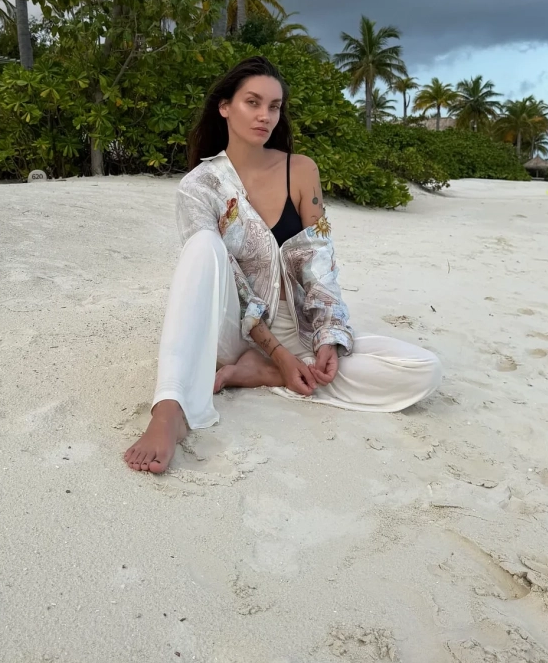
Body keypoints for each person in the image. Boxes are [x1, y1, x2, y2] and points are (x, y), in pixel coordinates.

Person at [124, 56, 442, 474]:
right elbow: (226, 277)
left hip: (297, 330)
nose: (265, 116)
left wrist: (327, 337)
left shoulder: (301, 170)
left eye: (273, 106)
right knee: (203, 246)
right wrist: (275, 352)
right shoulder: (199, 187)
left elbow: (320, 263)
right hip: (233, 331)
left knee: (422, 370)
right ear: (225, 107)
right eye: (252, 102)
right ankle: (169, 409)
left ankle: (259, 374)